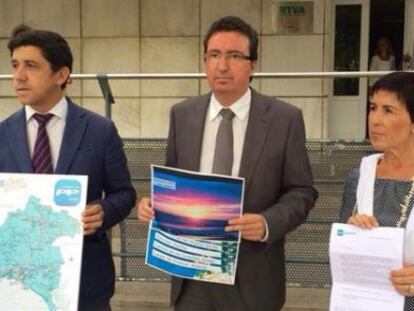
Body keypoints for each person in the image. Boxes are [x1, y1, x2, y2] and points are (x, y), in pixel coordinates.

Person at [137, 16, 318, 311]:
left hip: (253, 277)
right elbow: (173, 178)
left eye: (234, 56)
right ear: (205, 61)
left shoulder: (284, 119)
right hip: (192, 273)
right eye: (214, 55)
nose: (222, 66)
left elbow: (302, 191)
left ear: (253, 65)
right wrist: (154, 203)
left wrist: (266, 223)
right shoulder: (182, 114)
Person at [0, 25, 136, 310]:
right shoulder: (3, 134)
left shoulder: (100, 131)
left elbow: (124, 194)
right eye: (15, 66)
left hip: (86, 284)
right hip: (16, 285)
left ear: (61, 75)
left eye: (31, 66)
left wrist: (103, 212)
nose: (19, 76)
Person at [340, 72, 414, 310]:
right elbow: (341, 253)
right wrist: (351, 236)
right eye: (373, 108)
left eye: (388, 110)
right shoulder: (360, 176)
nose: (375, 120)